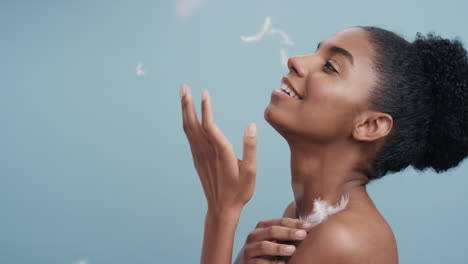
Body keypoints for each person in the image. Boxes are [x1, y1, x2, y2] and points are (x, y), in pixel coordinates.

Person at [179, 26, 468, 264]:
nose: (296, 60)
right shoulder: (300, 215)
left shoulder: (345, 240)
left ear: (370, 125)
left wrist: (222, 213)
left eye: (330, 66)